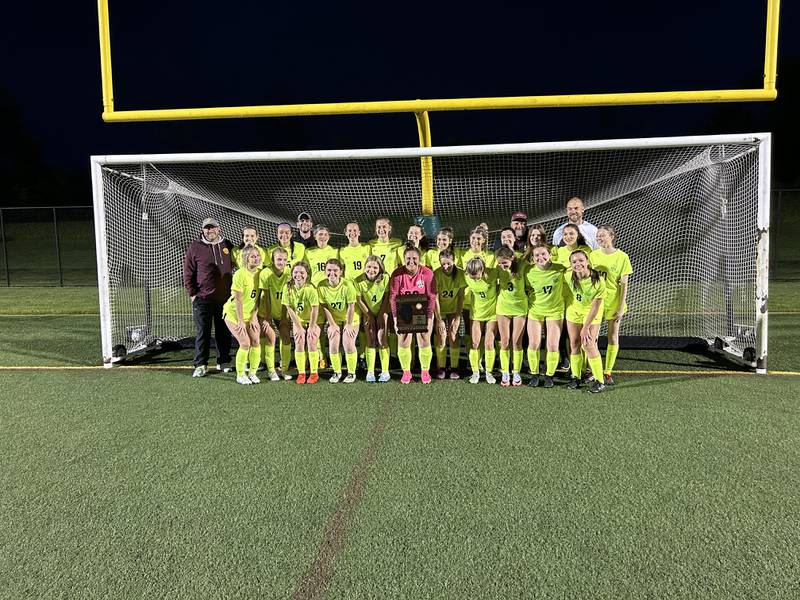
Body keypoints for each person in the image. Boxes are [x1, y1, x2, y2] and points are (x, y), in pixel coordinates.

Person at [182, 217, 234, 378]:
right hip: (203, 298)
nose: (210, 231)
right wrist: (192, 293)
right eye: (207, 228)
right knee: (203, 332)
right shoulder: (195, 247)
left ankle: (223, 361)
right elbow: (188, 272)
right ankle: (200, 364)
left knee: (224, 332)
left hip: (225, 298)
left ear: (219, 229)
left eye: (212, 228)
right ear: (202, 230)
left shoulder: (228, 245)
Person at [590, 225, 632, 385]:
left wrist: (621, 307)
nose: (600, 238)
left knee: (612, 337)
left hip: (614, 302)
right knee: (592, 338)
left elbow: (624, 285)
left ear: (612, 236)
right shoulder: (593, 256)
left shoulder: (622, 257)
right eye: (598, 236)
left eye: (603, 235)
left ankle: (607, 372)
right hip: (596, 303)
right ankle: (593, 370)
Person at [389, 245, 437, 384]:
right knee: (403, 341)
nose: (411, 261)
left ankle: (425, 371)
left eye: (414, 258)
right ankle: (406, 372)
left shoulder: (427, 273)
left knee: (424, 339)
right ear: (403, 259)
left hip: (422, 309)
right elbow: (393, 297)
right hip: (404, 310)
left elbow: (432, 296)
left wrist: (429, 318)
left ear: (419, 259)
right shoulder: (397, 274)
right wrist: (396, 318)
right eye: (408, 258)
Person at [564, 249, 607, 393]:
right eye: (574, 261)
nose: (578, 264)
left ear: (587, 261)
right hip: (573, 311)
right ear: (570, 264)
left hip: (591, 314)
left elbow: (595, 307)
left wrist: (586, 327)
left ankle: (600, 380)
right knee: (574, 343)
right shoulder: (567, 276)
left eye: (581, 260)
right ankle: (576, 377)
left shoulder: (598, 281)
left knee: (588, 345)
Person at [524, 243, 567, 388]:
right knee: (534, 343)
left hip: (555, 312)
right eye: (536, 255)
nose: (540, 257)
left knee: (553, 345)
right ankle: (534, 375)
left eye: (543, 254)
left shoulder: (560, 269)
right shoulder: (529, 272)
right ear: (532, 257)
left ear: (550, 255)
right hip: (535, 311)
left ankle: (549, 376)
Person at [222, 245, 263, 385]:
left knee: (256, 341)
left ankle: (252, 373)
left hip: (249, 314)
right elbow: (238, 299)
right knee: (245, 343)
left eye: (257, 256)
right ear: (246, 258)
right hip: (233, 314)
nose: (256, 259)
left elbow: (258, 298)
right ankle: (240, 375)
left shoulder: (261, 274)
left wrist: (253, 317)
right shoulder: (240, 274)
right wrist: (240, 321)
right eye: (253, 256)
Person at [318, 258, 360, 383]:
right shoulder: (321, 285)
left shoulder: (348, 285)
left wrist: (348, 324)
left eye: (335, 270)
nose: (332, 273)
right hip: (334, 319)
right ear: (325, 271)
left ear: (341, 271)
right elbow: (324, 306)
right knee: (334, 343)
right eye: (329, 270)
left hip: (350, 317)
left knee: (348, 342)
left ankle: (351, 373)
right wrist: (332, 324)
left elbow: (352, 306)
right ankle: (337, 372)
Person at [282, 261, 321, 384]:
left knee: (311, 340)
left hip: (313, 320)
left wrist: (312, 326)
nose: (298, 275)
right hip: (299, 320)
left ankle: (314, 373)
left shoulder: (310, 289)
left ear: (307, 275)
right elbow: (289, 308)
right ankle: (301, 373)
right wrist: (298, 326)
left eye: (302, 272)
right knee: (299, 341)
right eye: (296, 272)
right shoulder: (287, 288)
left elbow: (315, 309)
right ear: (292, 273)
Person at [495, 247, 528, 387]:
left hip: (520, 308)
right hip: (503, 307)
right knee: (505, 341)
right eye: (500, 263)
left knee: (516, 342)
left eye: (505, 263)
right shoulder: (497, 270)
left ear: (512, 258)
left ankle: (516, 372)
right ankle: (505, 372)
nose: (502, 266)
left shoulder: (522, 265)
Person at [355, 255, 391, 382]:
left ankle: (385, 372)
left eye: (375, 267)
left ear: (380, 269)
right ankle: (370, 372)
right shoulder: (358, 280)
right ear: (364, 268)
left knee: (382, 339)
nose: (371, 270)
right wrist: (369, 315)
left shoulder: (386, 278)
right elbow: (359, 300)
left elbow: (387, 297)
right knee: (370, 339)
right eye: (369, 267)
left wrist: (381, 315)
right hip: (368, 313)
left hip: (383, 311)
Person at [258, 246, 292, 381]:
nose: (281, 262)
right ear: (272, 260)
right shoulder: (265, 273)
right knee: (271, 338)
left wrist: (284, 317)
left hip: (282, 310)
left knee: (286, 336)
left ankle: (283, 369)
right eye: (278, 259)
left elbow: (287, 297)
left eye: (284, 260)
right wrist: (267, 317)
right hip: (266, 310)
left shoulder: (289, 273)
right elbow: (265, 296)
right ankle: (271, 370)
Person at [463, 256, 498, 384]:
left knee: (489, 343)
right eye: (472, 276)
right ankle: (475, 373)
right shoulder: (466, 276)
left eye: (476, 276)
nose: (474, 278)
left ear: (482, 270)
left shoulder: (493, 274)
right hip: (476, 314)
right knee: (475, 343)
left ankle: (489, 373)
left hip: (492, 314)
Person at [433, 248, 466, 379]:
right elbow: (434, 298)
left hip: (453, 308)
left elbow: (460, 297)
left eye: (448, 263)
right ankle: (441, 367)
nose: (446, 267)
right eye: (443, 264)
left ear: (454, 261)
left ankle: (454, 367)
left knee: (453, 334)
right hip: (440, 309)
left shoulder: (460, 273)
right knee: (442, 335)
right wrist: (439, 319)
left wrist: (457, 317)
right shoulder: (436, 274)